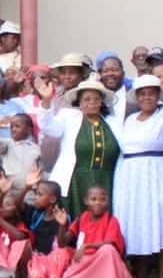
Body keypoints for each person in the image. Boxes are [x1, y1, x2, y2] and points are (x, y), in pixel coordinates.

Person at [112, 74, 163, 278]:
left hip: (158, 173)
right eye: (142, 94)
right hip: (132, 176)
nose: (146, 97)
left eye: (151, 93)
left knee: (161, 224)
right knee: (138, 225)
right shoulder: (130, 119)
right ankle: (140, 277)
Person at [38, 79, 123, 219]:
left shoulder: (113, 123)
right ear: (79, 102)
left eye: (96, 99)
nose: (92, 102)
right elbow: (48, 127)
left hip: (107, 181)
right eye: (87, 99)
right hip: (76, 182)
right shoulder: (69, 118)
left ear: (101, 102)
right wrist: (46, 101)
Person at [45, 186, 139, 278]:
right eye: (93, 199)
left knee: (107, 250)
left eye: (102, 199)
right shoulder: (81, 219)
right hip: (84, 265)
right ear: (86, 201)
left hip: (104, 265)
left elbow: (110, 243)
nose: (98, 203)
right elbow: (62, 243)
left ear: (107, 201)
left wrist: (87, 245)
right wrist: (62, 226)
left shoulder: (111, 219)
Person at [0, 113, 40, 191]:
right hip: (10, 191)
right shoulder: (7, 144)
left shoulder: (36, 148)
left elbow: (39, 167)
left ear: (29, 130)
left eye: (17, 126)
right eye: (11, 127)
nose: (13, 129)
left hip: (29, 191)